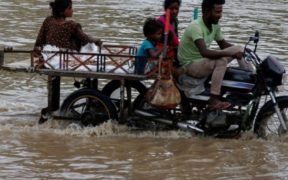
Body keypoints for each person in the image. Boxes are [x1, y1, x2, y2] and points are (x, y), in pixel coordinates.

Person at [34, 0, 102, 124]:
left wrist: (38, 55)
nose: (72, 10)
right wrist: (97, 40)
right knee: (84, 41)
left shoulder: (48, 21)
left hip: (50, 58)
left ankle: (51, 109)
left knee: (54, 82)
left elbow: (39, 41)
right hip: (67, 59)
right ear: (62, 11)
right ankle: (92, 101)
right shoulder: (72, 25)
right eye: (70, 8)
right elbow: (86, 39)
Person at [177, 0, 253, 110]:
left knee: (239, 48)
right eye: (217, 12)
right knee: (221, 61)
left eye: (221, 12)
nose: (220, 15)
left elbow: (223, 44)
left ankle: (251, 81)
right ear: (207, 11)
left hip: (202, 61)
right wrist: (231, 54)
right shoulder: (195, 26)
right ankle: (213, 98)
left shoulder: (215, 26)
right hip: (190, 65)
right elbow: (205, 52)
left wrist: (245, 51)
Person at [157, 0, 181, 67]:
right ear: (166, 9)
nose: (174, 11)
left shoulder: (175, 21)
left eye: (176, 9)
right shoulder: (160, 22)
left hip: (170, 48)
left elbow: (176, 37)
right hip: (161, 49)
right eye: (171, 9)